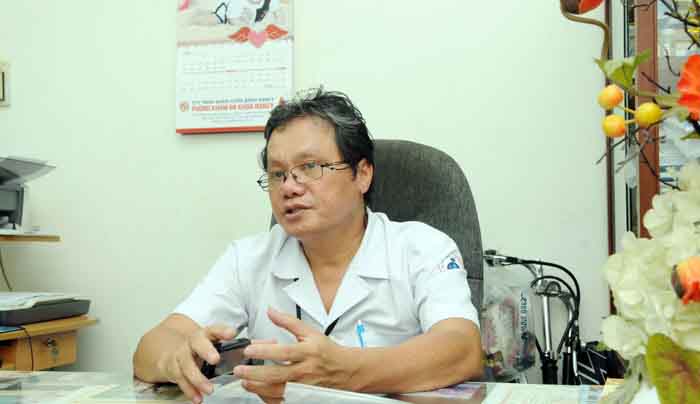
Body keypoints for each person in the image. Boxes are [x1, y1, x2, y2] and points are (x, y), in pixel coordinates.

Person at [133, 88, 483, 404]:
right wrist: (176, 358)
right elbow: (152, 347)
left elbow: (462, 348)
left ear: (362, 174)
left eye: (310, 167)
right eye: (277, 174)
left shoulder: (423, 247)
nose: (289, 186)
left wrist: (347, 371)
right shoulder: (249, 258)